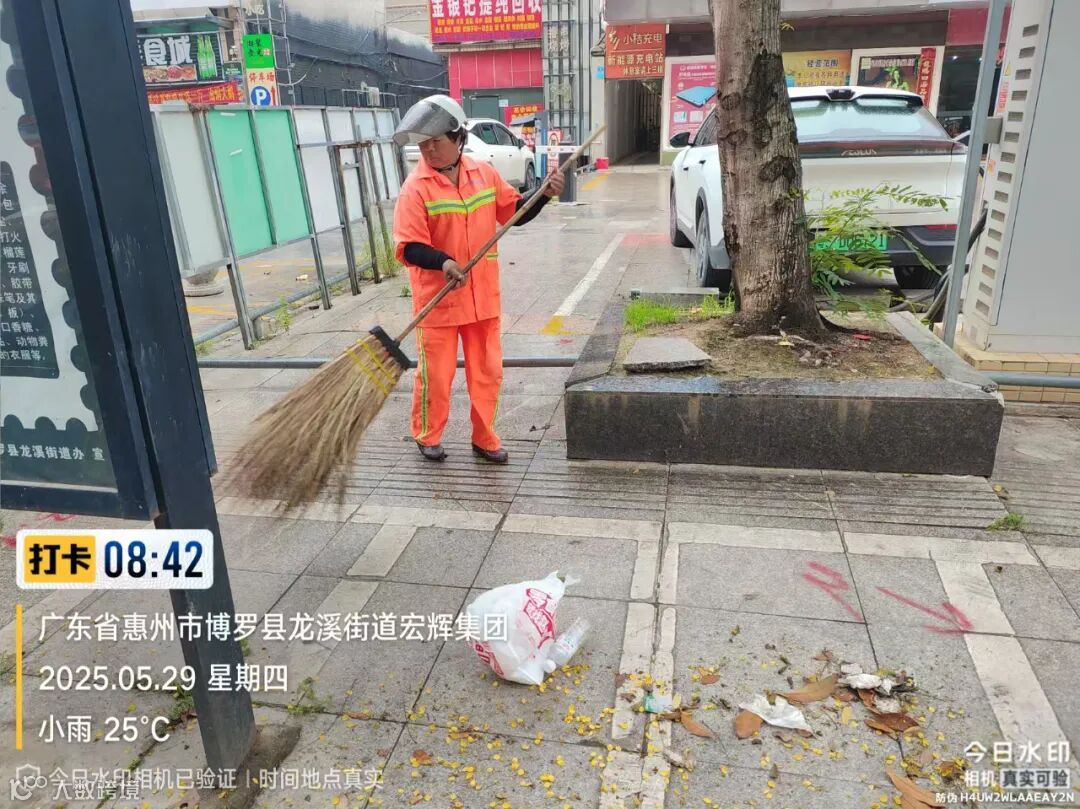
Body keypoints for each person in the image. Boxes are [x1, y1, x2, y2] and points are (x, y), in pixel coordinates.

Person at [392, 95, 564, 464]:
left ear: (459, 139)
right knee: (436, 376)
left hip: (482, 298)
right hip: (439, 300)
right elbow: (409, 247)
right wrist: (444, 262)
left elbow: (514, 212)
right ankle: (427, 435)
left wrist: (543, 195)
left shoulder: (483, 174)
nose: (428, 150)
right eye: (423, 144)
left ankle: (485, 438)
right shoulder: (415, 187)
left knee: (487, 373)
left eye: (436, 142)